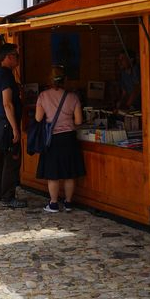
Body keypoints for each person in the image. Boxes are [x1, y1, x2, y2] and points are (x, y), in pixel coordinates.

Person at [35, 66, 85, 213]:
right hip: (69, 137)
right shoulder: (73, 97)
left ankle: (54, 203)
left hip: (52, 139)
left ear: (49, 80)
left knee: (53, 173)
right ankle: (69, 203)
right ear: (65, 80)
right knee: (69, 173)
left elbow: (38, 118)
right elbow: (78, 121)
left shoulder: (43, 96)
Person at [0, 43, 25, 208]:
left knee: (0, 159)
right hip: (7, 124)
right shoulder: (6, 75)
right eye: (16, 56)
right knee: (11, 160)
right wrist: (15, 128)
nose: (18, 59)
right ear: (9, 57)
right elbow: (7, 103)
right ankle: (7, 196)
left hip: (0, 123)